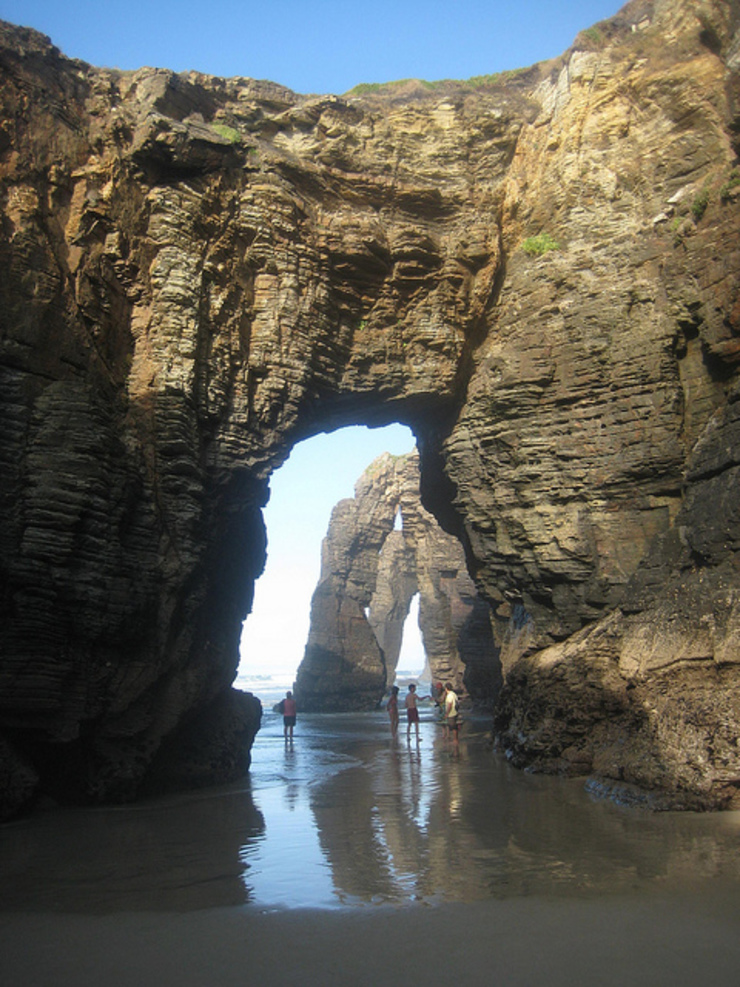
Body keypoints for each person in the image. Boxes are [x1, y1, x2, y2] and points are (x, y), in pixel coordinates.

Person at [443, 682, 460, 746]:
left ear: (446, 688)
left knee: (453, 727)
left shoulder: (449, 695)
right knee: (454, 726)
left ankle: (455, 740)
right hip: (455, 712)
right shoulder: (454, 694)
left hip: (451, 713)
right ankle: (455, 739)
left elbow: (449, 705)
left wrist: (446, 713)